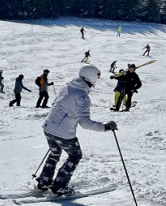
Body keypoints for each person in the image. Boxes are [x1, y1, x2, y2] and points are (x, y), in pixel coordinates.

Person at [34, 64, 117, 195]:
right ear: (92, 79)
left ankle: (44, 181)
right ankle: (59, 187)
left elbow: (57, 104)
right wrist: (105, 127)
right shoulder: (83, 97)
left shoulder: (67, 87)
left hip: (48, 127)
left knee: (55, 153)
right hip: (63, 134)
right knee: (75, 155)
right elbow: (85, 123)